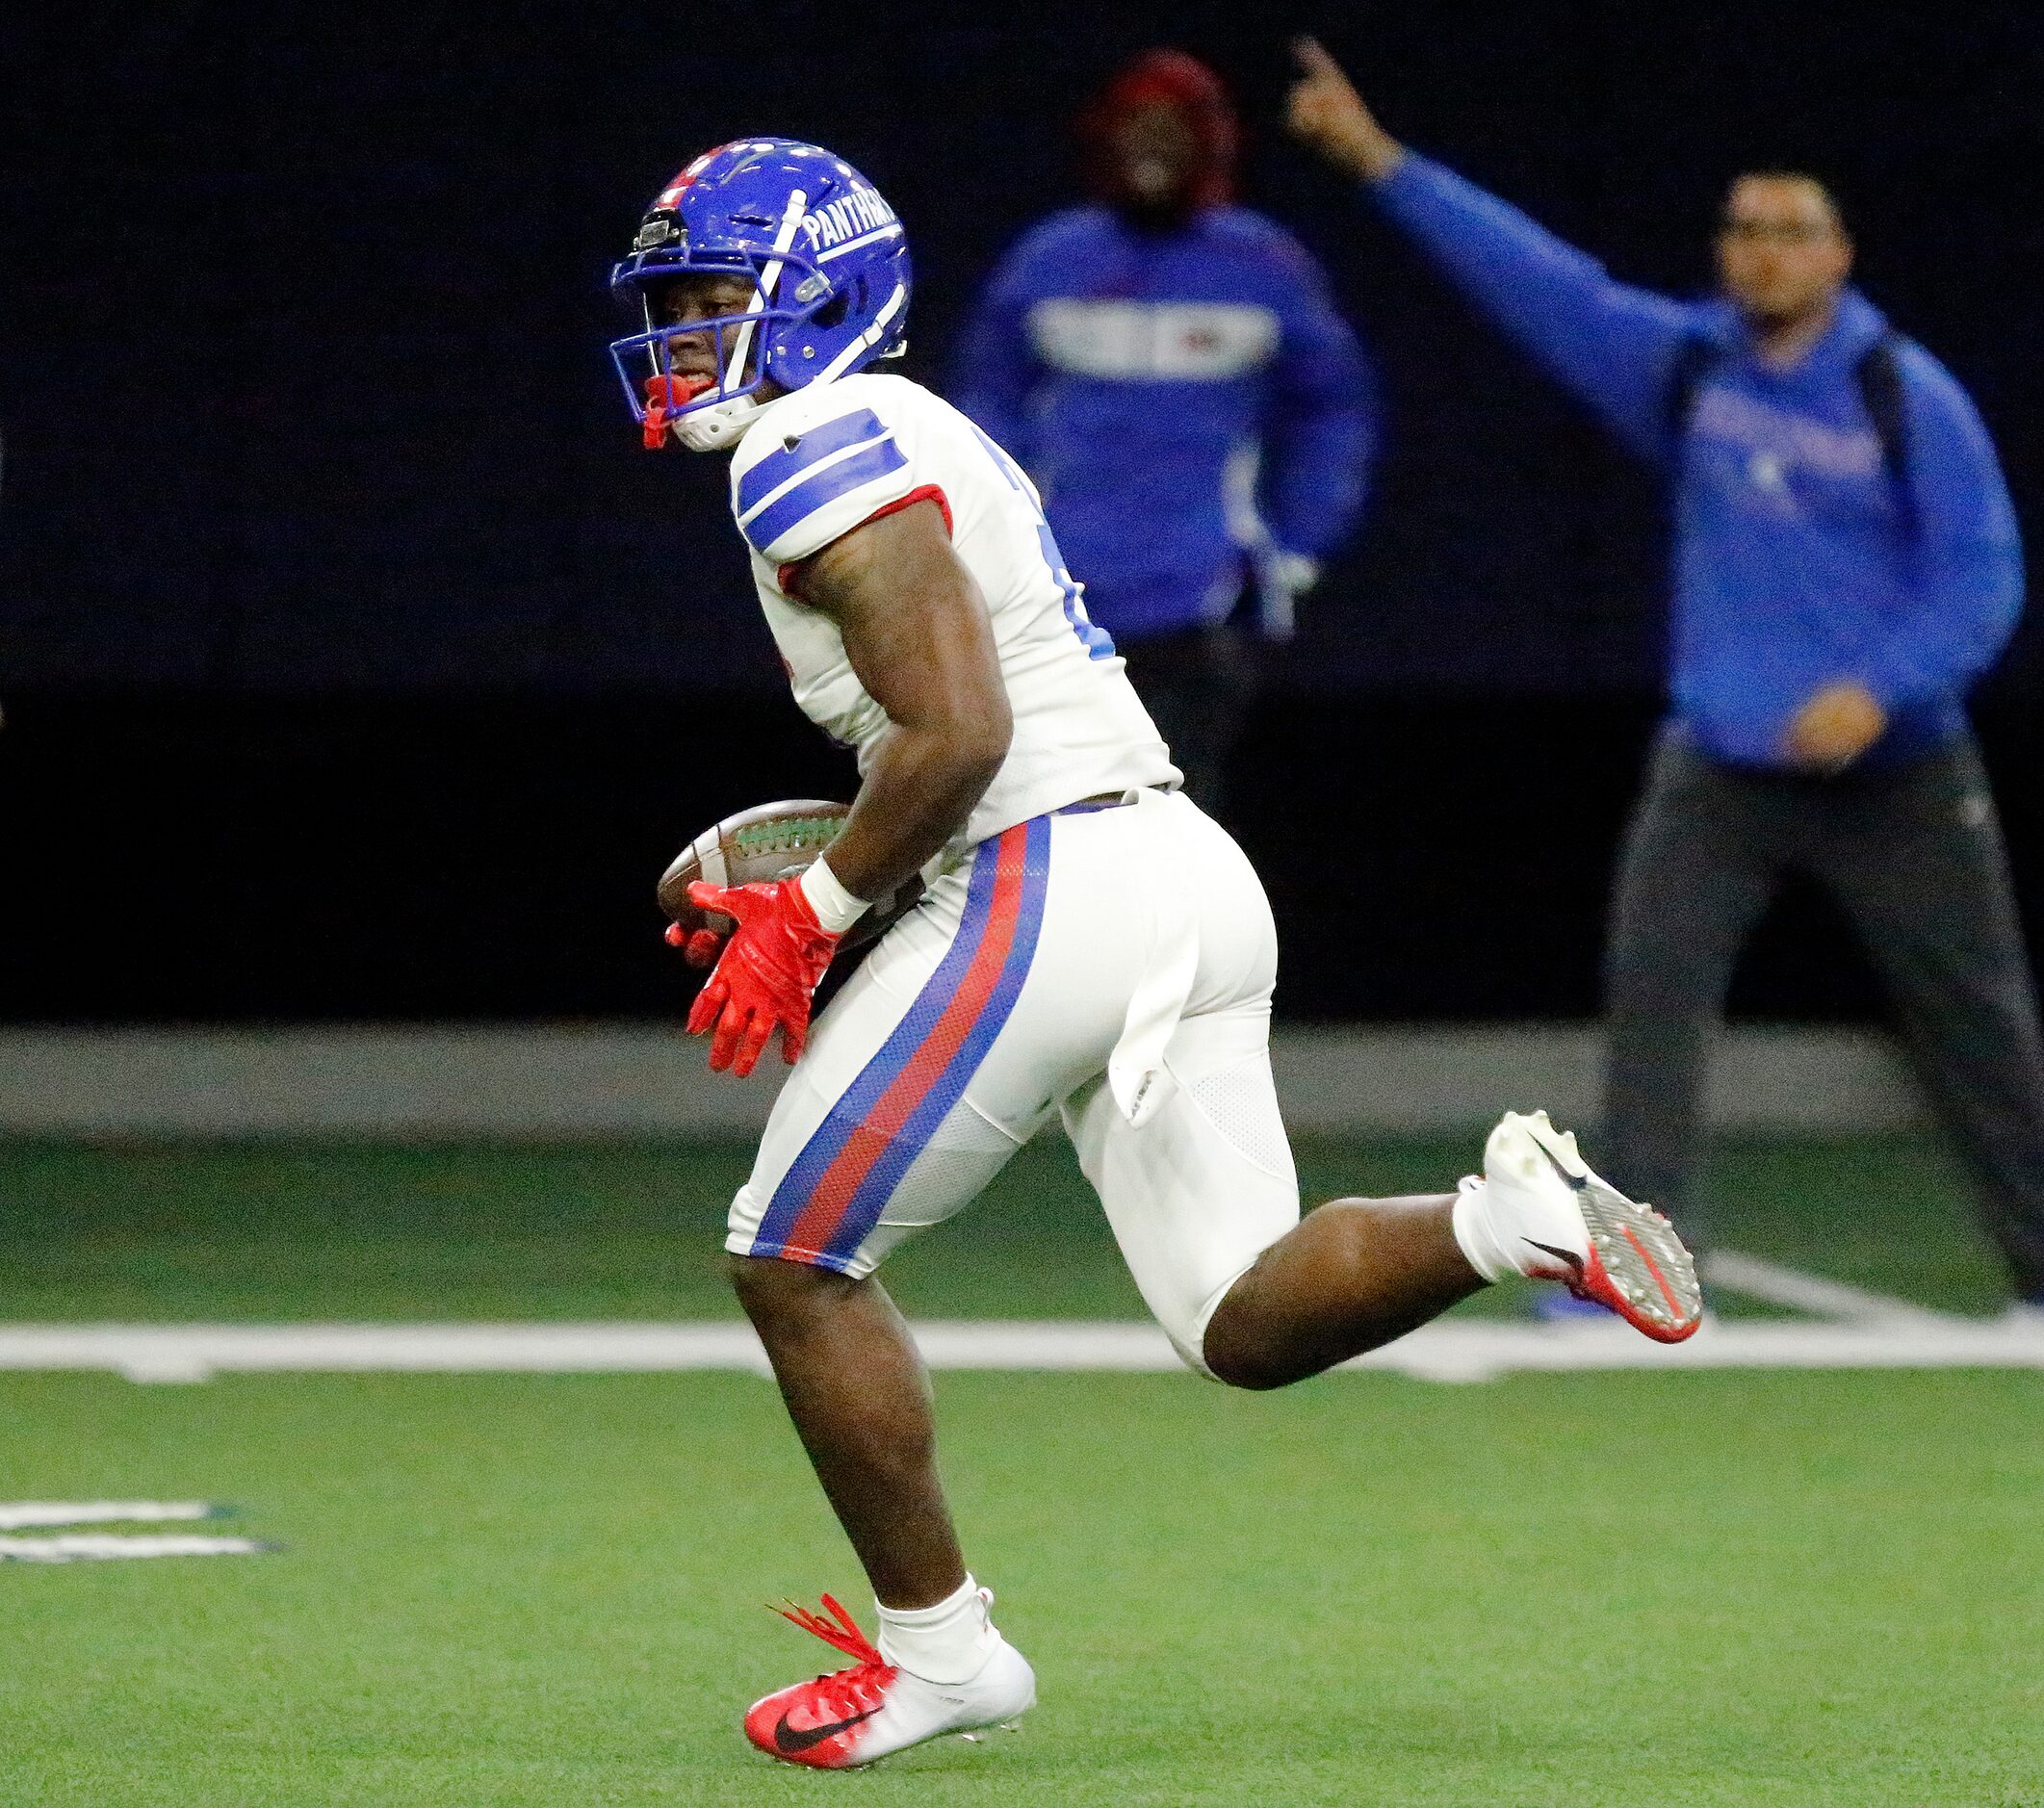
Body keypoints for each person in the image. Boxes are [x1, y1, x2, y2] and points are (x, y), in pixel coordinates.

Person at [608, 138, 1701, 1771]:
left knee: (790, 1254)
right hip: (1176, 865)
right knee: (1236, 1322)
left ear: (811, 295)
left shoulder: (805, 437)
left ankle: (941, 1653)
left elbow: (960, 733)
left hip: (1053, 873)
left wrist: (815, 912)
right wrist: (835, 859)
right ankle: (1508, 1214)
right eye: (672, 302)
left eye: (708, 297)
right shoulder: (901, 430)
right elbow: (965, 717)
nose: (682, 332)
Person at [1287, 40, 2044, 1313]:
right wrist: (1379, 163)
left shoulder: (1898, 392)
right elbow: (1541, 285)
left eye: (1788, 230)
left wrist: (1881, 685)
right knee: (1650, 1014)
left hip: (1899, 769)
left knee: (1979, 1028)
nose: (1758, 249)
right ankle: (1622, 1278)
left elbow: (1980, 577)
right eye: (1740, 227)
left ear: (1836, 254)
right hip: (1718, 770)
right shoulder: (1688, 370)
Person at [952, 50, 1375, 812]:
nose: (1152, 149)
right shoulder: (1048, 261)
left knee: (1175, 819)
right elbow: (984, 408)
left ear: (1212, 143)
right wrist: (995, 544)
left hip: (1200, 607)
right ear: (1104, 138)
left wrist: (1297, 547)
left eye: (1172, 130)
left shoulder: (1264, 266)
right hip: (1054, 601)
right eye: (1136, 128)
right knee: (1040, 816)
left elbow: (1332, 413)